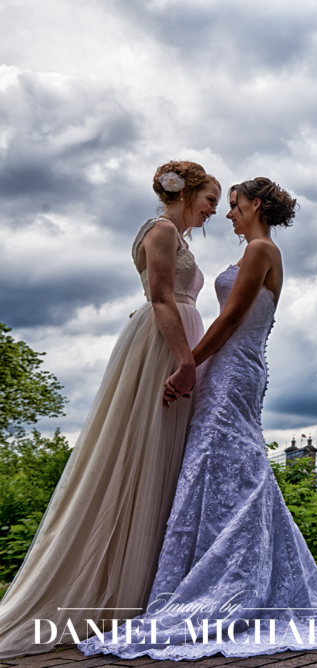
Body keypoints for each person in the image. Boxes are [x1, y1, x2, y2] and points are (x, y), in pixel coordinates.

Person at [79, 178, 317, 661]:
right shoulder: (258, 251)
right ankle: (228, 574)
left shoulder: (260, 250)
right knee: (229, 467)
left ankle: (231, 583)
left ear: (256, 204)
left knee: (226, 465)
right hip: (232, 365)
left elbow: (230, 319)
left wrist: (188, 366)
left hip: (232, 367)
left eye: (234, 204)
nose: (228, 213)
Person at [0, 161, 221, 658]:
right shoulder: (161, 230)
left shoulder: (175, 234)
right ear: (186, 193)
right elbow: (161, 299)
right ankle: (119, 592)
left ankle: (152, 585)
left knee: (167, 459)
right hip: (164, 345)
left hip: (176, 341)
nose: (212, 210)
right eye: (209, 199)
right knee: (146, 451)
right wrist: (185, 361)